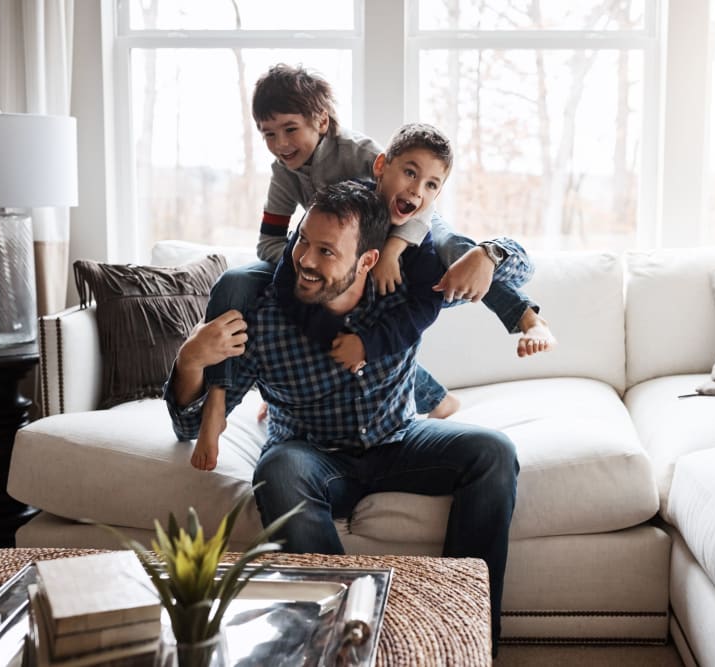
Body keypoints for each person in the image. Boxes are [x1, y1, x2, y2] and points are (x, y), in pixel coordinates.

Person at [166, 182, 519, 652]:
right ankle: (347, 641)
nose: (306, 260)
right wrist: (190, 359)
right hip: (313, 456)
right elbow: (189, 427)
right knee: (278, 469)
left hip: (400, 439)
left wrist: (489, 254)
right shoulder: (265, 316)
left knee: (494, 452)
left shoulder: (402, 291)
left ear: (367, 260)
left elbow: (518, 271)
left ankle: (464, 633)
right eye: (303, 242)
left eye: (327, 251)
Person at [198, 64, 554, 426]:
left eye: (290, 129)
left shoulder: (358, 153)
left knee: (456, 251)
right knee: (243, 282)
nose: (281, 144)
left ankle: (527, 318)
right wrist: (308, 262)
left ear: (321, 121)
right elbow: (269, 242)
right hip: (343, 260)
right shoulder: (284, 172)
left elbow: (410, 196)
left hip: (407, 231)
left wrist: (393, 250)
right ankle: (430, 399)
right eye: (268, 134)